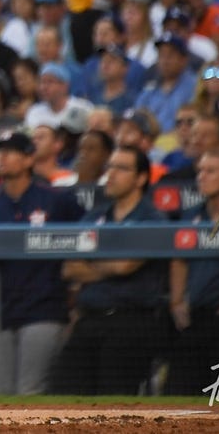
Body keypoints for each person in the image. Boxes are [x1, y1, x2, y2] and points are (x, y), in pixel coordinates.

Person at [0, 130, 84, 395]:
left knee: (30, 391)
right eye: (0, 151)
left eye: (10, 151)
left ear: (28, 159)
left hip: (45, 309)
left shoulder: (56, 200)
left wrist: (76, 295)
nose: (2, 157)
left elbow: (87, 240)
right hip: (3, 314)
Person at [51, 145, 166, 395]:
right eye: (110, 167)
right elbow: (69, 269)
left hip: (130, 322)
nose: (110, 174)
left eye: (121, 168)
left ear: (141, 178)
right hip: (89, 318)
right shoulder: (94, 217)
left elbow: (126, 265)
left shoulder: (151, 219)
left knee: (115, 403)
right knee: (62, 396)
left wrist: (92, 266)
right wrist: (109, 266)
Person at [166, 150, 219, 395]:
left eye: (210, 171)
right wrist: (177, 300)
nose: (202, 176)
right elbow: (179, 259)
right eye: (200, 171)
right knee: (177, 393)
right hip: (196, 317)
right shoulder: (193, 215)